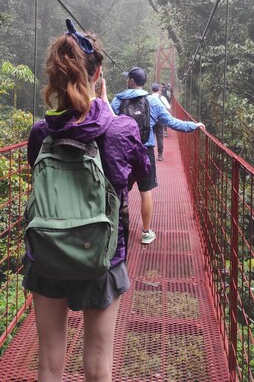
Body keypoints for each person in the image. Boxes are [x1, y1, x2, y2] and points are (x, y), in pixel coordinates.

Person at [23, 23, 150, 382]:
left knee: (48, 365)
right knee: (97, 366)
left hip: (45, 252)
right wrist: (107, 113)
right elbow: (137, 176)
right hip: (103, 256)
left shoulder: (40, 131)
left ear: (55, 75)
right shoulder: (122, 129)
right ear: (98, 75)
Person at [111, 67, 205, 246]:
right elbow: (171, 122)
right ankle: (146, 233)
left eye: (128, 78)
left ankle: (115, 229)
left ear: (131, 80)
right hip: (144, 152)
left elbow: (107, 120)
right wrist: (193, 125)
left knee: (119, 190)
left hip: (122, 152)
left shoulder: (118, 100)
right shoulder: (152, 102)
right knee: (145, 192)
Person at [151, 83, 171, 161]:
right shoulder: (162, 97)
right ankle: (160, 155)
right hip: (159, 120)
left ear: (152, 89)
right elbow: (168, 107)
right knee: (159, 137)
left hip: (151, 120)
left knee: (150, 136)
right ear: (159, 89)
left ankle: (149, 154)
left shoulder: (148, 97)